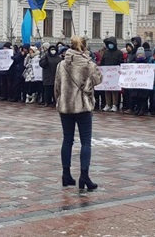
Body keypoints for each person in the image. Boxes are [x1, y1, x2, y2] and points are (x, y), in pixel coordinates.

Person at [55, 35, 103, 192]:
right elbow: (99, 79)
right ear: (84, 47)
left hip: (65, 107)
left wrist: (60, 101)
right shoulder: (88, 64)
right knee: (86, 142)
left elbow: (57, 86)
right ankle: (84, 176)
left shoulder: (62, 64)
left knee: (67, 140)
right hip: (82, 107)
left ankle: (66, 174)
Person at [100, 36, 123, 112]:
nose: (110, 45)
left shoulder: (119, 53)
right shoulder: (106, 52)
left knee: (114, 90)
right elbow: (102, 62)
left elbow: (121, 63)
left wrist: (119, 70)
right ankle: (108, 104)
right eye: (109, 43)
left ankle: (114, 104)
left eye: (111, 43)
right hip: (107, 74)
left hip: (115, 74)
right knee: (107, 90)